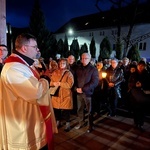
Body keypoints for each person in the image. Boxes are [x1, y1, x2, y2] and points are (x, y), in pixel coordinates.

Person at [0, 33, 57, 150]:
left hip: (31, 120)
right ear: (24, 48)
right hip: (23, 125)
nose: (37, 49)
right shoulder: (14, 68)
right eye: (35, 47)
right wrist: (45, 78)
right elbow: (36, 93)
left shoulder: (22, 65)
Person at [74, 53, 99, 133]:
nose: (84, 60)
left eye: (86, 58)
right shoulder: (78, 68)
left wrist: (83, 89)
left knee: (89, 111)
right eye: (82, 58)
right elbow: (74, 79)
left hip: (88, 93)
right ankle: (81, 122)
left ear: (89, 59)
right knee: (80, 109)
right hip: (79, 92)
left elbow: (94, 82)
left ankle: (90, 125)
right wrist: (76, 88)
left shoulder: (93, 69)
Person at [50, 58, 74, 132]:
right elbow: (51, 82)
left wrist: (60, 84)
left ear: (66, 64)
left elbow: (69, 85)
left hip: (65, 95)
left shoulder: (69, 73)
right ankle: (58, 122)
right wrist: (54, 83)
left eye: (63, 63)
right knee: (56, 110)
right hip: (56, 94)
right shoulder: (55, 72)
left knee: (66, 111)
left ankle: (67, 124)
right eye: (60, 63)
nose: (61, 65)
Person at [128, 60, 150, 131]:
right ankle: (136, 122)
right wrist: (135, 84)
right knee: (135, 109)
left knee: (142, 110)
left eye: (142, 66)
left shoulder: (147, 74)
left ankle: (141, 124)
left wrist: (142, 85)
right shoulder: (133, 74)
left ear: (144, 67)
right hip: (134, 95)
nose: (140, 67)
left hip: (143, 95)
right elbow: (129, 84)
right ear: (137, 66)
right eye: (139, 66)